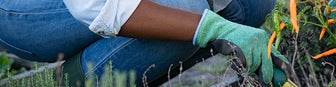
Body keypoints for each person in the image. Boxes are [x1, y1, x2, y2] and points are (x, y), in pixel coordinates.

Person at [0, 0, 290, 86]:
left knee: (249, 3)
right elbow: (92, 4)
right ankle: (60, 83)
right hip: (23, 12)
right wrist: (210, 27)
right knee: (189, 13)